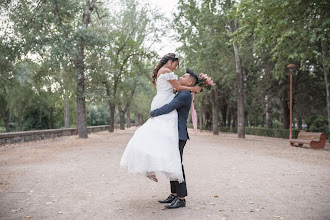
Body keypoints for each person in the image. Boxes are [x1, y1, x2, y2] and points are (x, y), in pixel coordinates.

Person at [120, 53, 201, 184]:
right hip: (164, 101)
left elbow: (175, 89)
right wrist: (194, 89)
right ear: (170, 62)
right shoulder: (167, 71)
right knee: (160, 134)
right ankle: (150, 168)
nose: (175, 68)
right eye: (175, 65)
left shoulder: (162, 71)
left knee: (156, 136)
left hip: (161, 99)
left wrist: (177, 91)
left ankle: (149, 168)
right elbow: (179, 87)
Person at [150, 68, 198, 209]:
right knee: (171, 163)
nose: (180, 77)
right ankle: (174, 194)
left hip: (179, 133)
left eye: (183, 76)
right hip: (172, 133)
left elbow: (171, 106)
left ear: (189, 82)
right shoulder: (181, 92)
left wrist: (155, 112)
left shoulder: (184, 94)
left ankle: (181, 198)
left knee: (177, 164)